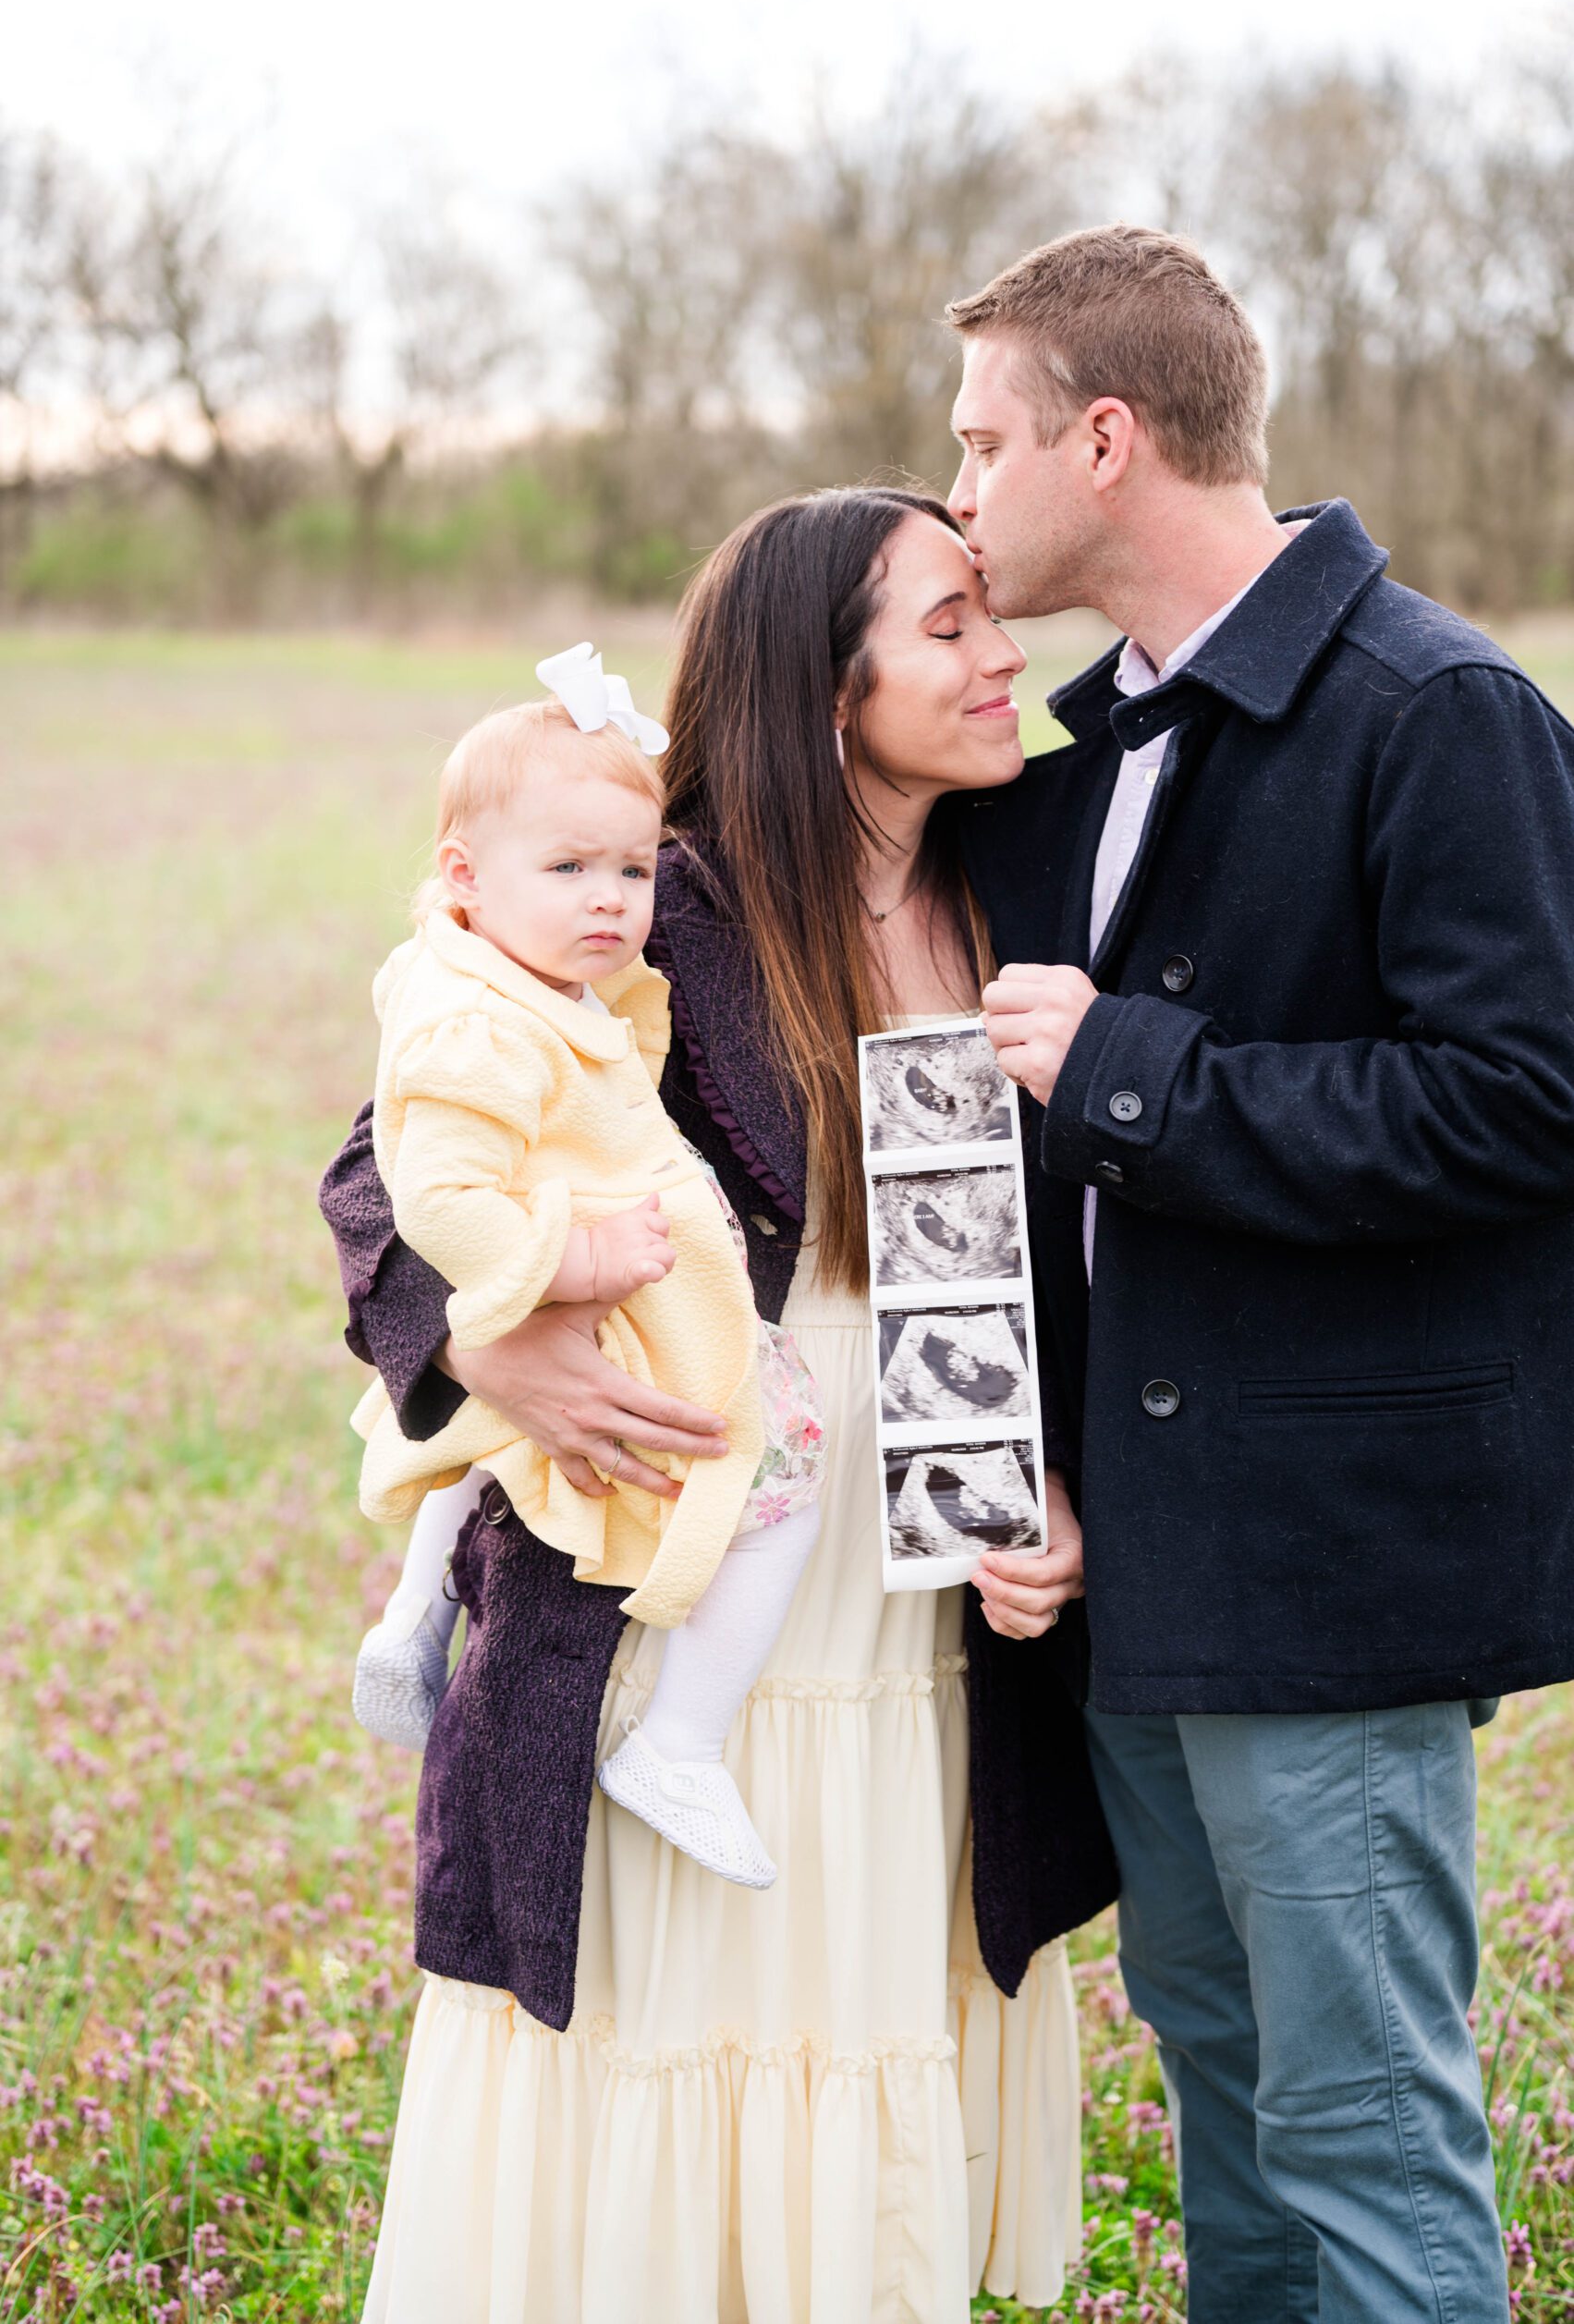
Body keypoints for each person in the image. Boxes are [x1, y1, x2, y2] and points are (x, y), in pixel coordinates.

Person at [319, 487, 1117, 2323]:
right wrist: (482, 1337)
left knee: (861, 1995)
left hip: (911, 1601)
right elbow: (389, 1162)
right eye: (948, 623)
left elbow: (1016, 1262)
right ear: (823, 683)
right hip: (680, 1564)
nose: (1006, 655)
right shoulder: (657, 897)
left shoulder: (1024, 886)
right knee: (676, 2014)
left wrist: (1046, 1493)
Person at [948, 222, 1574, 2323]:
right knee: (1226, 2090)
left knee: (1362, 2126)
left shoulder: (1443, 707)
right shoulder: (1075, 758)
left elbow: (1526, 1105)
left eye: (980, 446)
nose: (960, 494)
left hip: (1332, 1559)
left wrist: (1142, 1073)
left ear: (1103, 439)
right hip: (1130, 1561)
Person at [348, 659, 826, 1890]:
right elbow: (438, 1192)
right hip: (593, 1295)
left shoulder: (511, 978)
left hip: (575, 1281)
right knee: (781, 1473)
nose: (612, 900)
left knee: (486, 1443)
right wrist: (566, 1264)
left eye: (630, 869)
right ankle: (679, 1740)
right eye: (568, 870)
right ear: (465, 876)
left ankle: (411, 1619)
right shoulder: (482, 1024)